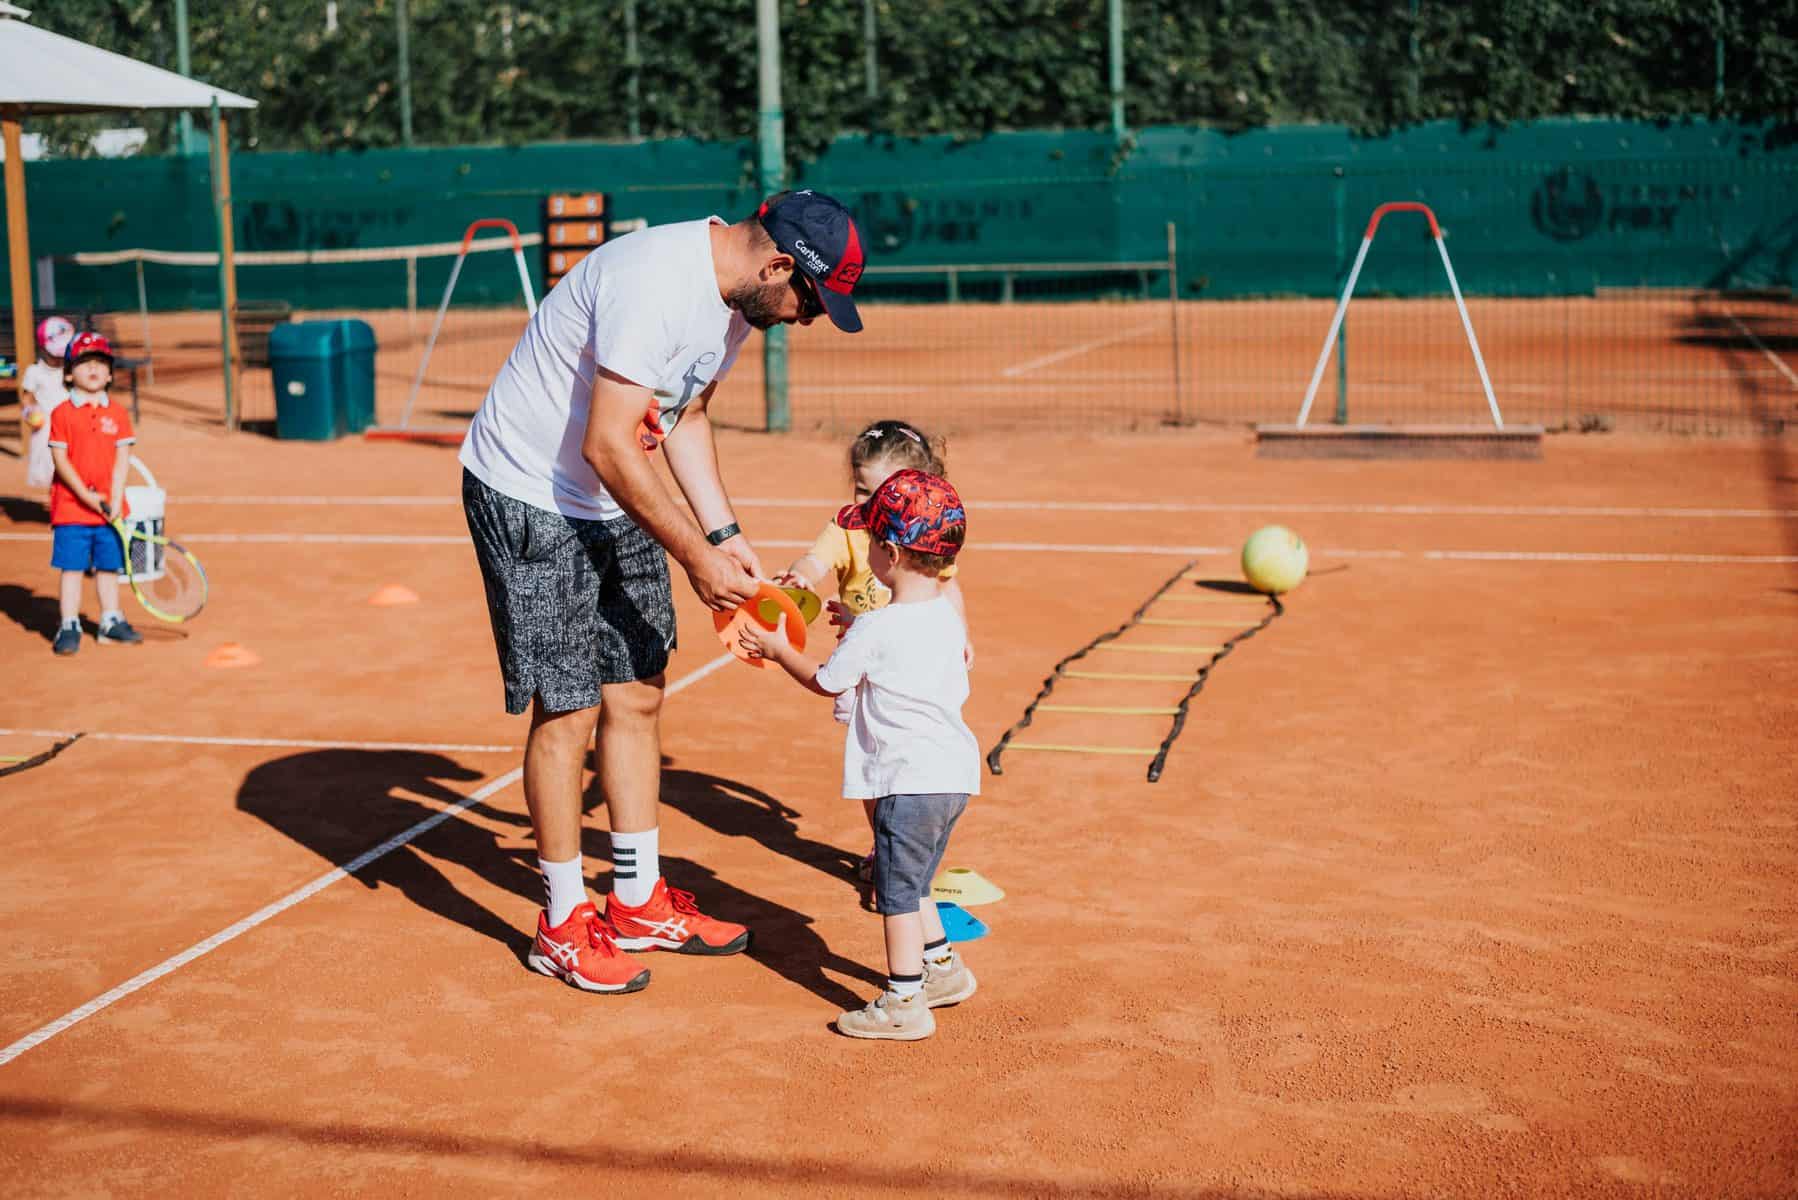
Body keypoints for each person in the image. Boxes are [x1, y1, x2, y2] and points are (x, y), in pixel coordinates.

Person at [458, 189, 867, 995]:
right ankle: (562, 923)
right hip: (528, 492)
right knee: (568, 707)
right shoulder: (655, 282)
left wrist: (722, 536)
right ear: (778, 264)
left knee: (638, 693)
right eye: (811, 301)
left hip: (614, 490)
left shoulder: (737, 306)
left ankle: (637, 899)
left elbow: (686, 416)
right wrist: (695, 559)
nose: (809, 319)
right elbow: (608, 441)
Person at [741, 469, 980, 1041]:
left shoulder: (877, 628)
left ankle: (904, 1002)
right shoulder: (945, 615)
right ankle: (943, 971)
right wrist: (859, 626)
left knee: (897, 895)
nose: (865, 549)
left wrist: (778, 649)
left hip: (906, 782)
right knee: (916, 882)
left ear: (890, 553)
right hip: (951, 779)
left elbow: (828, 682)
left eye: (871, 541)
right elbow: (906, 646)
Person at [771, 418, 973, 889]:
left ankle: (905, 848)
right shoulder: (847, 526)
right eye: (862, 490)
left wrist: (962, 635)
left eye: (881, 491)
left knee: (915, 752)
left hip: (913, 666)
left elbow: (949, 584)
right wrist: (803, 576)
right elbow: (816, 559)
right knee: (873, 761)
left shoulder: (922, 530)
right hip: (864, 667)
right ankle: (885, 843)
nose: (869, 503)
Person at [46, 332, 143, 656]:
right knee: (72, 569)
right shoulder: (61, 413)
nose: (94, 369)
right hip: (72, 508)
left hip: (110, 511)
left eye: (100, 363)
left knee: (107, 567)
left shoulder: (118, 414)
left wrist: (115, 501)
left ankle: (110, 621)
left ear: (111, 373)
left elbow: (122, 462)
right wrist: (87, 498)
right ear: (70, 372)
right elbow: (61, 461)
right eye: (85, 362)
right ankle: (69, 623)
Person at [23, 316, 75, 489]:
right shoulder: (34, 372)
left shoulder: (71, 370)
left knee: (72, 466)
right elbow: (26, 398)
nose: (59, 358)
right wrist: (29, 414)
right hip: (47, 429)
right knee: (50, 469)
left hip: (70, 425)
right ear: (43, 348)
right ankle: (55, 505)